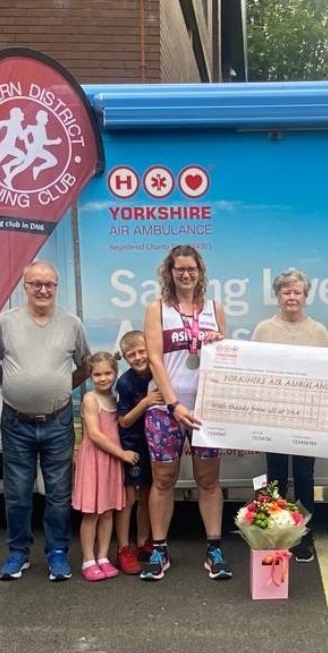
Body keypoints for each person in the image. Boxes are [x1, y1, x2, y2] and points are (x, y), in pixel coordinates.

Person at [0, 260, 89, 582]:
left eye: (49, 284)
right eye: (36, 284)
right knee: (17, 492)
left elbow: (85, 366)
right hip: (17, 422)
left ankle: (57, 552)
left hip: (58, 422)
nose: (43, 290)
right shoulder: (5, 322)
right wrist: (19, 388)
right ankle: (18, 553)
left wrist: (57, 390)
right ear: (24, 286)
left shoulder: (72, 324)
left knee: (58, 493)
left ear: (56, 287)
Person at [140, 244, 231, 582]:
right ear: (170, 272)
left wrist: (218, 341)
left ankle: (214, 549)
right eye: (179, 268)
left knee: (209, 480)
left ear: (200, 271)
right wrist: (174, 403)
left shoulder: (214, 308)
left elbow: (225, 357)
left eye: (191, 268)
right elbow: (154, 359)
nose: (185, 274)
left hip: (206, 409)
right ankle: (159, 550)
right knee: (164, 480)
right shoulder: (157, 309)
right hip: (167, 409)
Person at [251, 268, 328, 563]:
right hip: (273, 418)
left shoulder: (318, 331)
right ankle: (273, 532)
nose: (292, 297)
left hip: (307, 419)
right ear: (278, 296)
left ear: (305, 296)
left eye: (297, 292)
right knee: (275, 477)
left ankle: (301, 535)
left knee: (304, 476)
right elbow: (253, 374)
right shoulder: (263, 330)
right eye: (286, 292)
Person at [74, 351, 135, 581]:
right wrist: (122, 453)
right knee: (92, 512)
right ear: (90, 376)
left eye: (108, 373)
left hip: (111, 462)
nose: (103, 378)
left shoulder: (115, 399)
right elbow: (96, 435)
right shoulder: (90, 399)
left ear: (115, 373)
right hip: (95, 460)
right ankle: (88, 559)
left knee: (108, 511)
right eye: (97, 374)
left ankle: (103, 556)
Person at [114, 330, 158, 574]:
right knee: (129, 499)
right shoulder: (125, 382)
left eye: (142, 351)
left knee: (148, 496)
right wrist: (145, 402)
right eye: (132, 355)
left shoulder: (158, 373)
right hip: (133, 447)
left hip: (154, 444)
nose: (139, 357)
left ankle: (143, 543)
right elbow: (124, 422)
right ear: (125, 358)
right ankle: (123, 548)